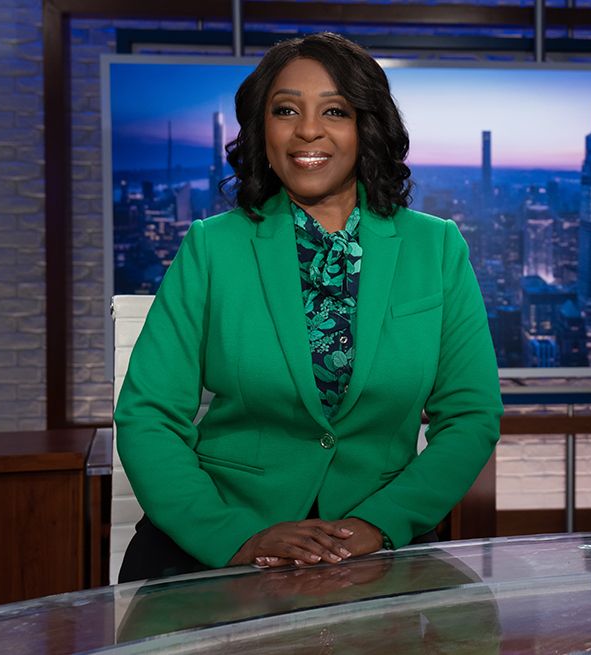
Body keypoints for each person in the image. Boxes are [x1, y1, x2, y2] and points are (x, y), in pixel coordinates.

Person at [114, 32, 502, 582]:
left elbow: (470, 416)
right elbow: (148, 413)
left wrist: (379, 523)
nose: (308, 130)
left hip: (377, 541)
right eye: (286, 110)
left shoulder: (436, 248)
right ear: (261, 129)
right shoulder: (212, 246)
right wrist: (232, 537)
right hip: (223, 533)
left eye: (335, 110)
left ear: (367, 126)